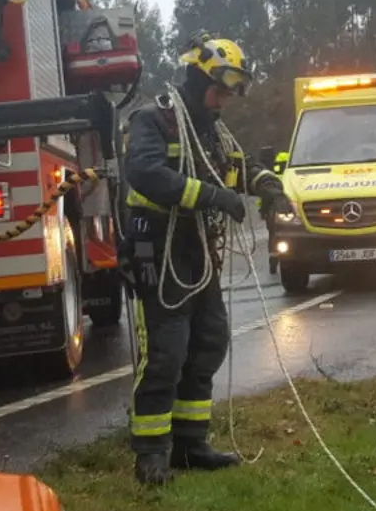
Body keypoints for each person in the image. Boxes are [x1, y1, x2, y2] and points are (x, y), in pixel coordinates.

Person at [119, 32, 288, 486]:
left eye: (227, 94)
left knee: (210, 341)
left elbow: (236, 165)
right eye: (218, 91)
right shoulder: (152, 121)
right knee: (166, 353)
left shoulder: (212, 130)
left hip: (197, 251)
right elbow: (147, 173)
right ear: (196, 80)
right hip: (157, 249)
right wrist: (215, 197)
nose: (222, 102)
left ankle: (190, 445)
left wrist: (267, 186)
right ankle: (151, 453)